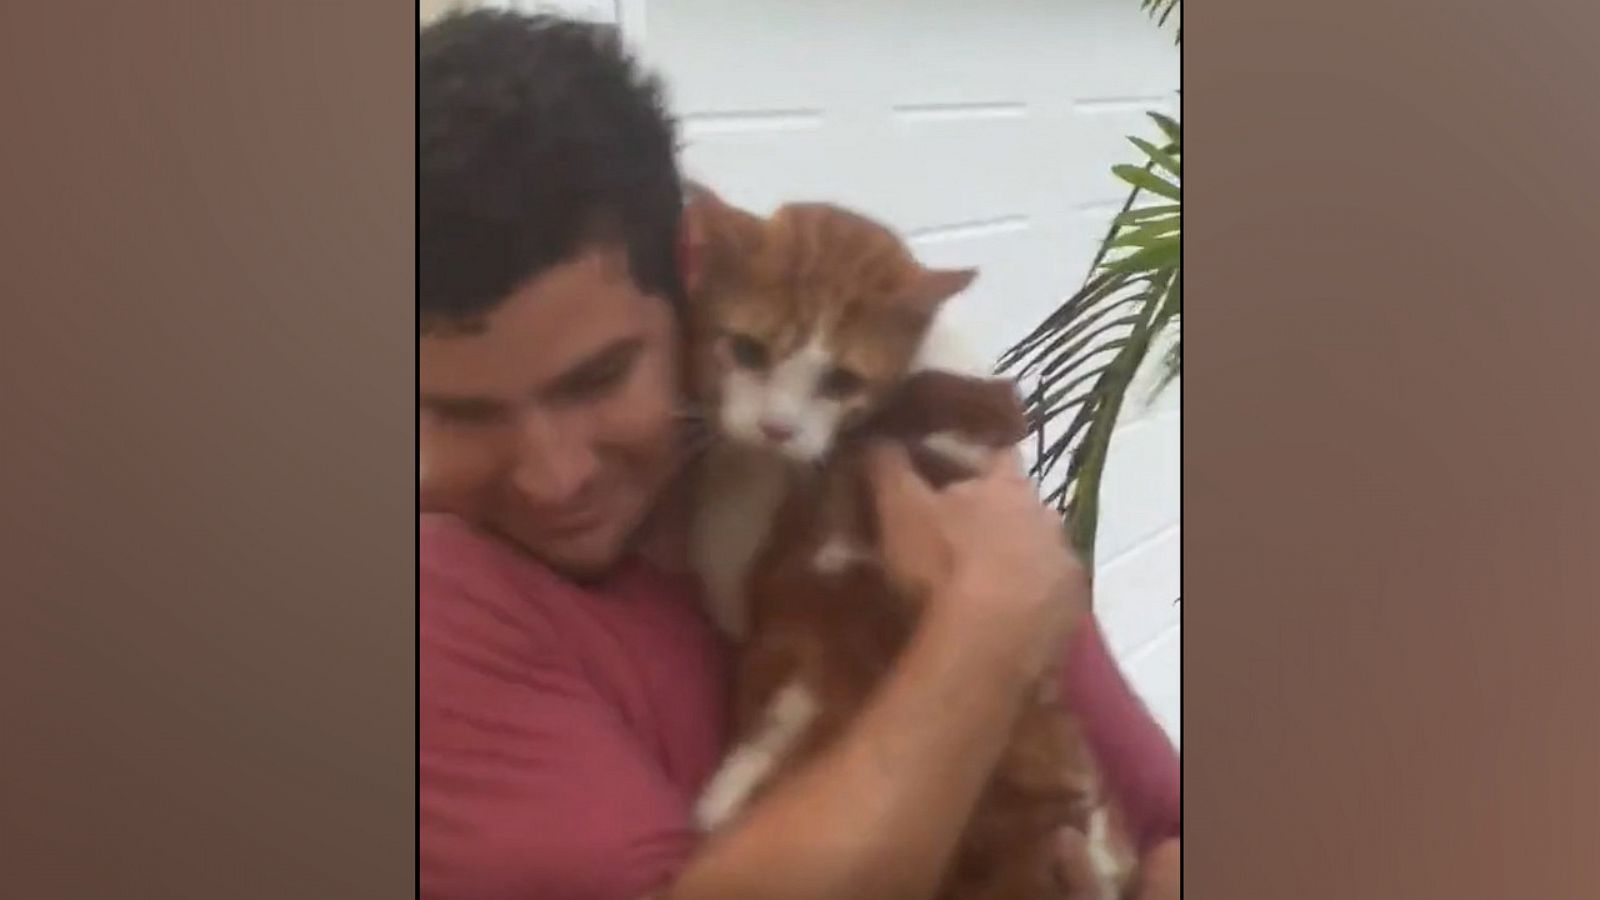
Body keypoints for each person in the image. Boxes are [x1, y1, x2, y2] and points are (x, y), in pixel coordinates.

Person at [419, 10, 1179, 900]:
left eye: (598, 380)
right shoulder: (441, 606)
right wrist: (982, 635)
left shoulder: (901, 476)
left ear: (695, 274)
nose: (556, 476)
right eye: (459, 413)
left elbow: (1168, 827)